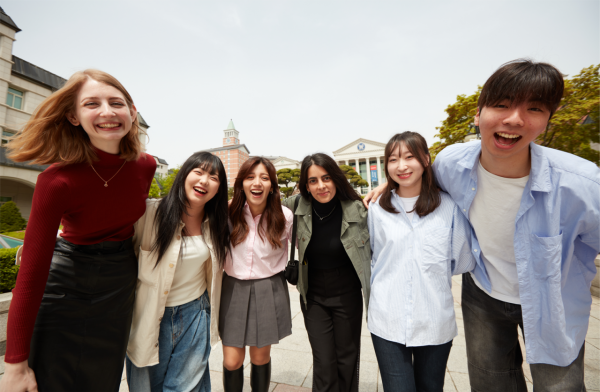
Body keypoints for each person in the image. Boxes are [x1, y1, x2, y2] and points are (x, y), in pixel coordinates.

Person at [365, 59, 600, 391]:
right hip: (483, 294)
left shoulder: (583, 185)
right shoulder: (452, 163)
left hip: (553, 300)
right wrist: (387, 188)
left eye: (534, 108)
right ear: (478, 113)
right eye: (501, 105)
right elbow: (416, 181)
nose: (514, 119)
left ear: (549, 117)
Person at [0, 70, 156, 392]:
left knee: (103, 382)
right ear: (73, 116)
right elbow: (30, 275)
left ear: (132, 112)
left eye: (117, 103)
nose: (108, 112)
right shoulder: (56, 181)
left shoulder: (146, 165)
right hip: (65, 288)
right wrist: (14, 365)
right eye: (91, 104)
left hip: (118, 286)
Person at [367, 132, 475, 392]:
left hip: (434, 320)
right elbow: (374, 256)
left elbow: (460, 260)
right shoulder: (376, 209)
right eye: (393, 159)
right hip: (386, 319)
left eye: (409, 157)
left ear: (426, 159)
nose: (401, 166)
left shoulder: (449, 207)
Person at [125, 152, 230, 392]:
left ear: (218, 188)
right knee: (148, 385)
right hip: (149, 316)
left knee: (183, 388)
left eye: (213, 177)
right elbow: (108, 240)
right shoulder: (149, 213)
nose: (204, 181)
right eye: (199, 172)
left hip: (195, 313)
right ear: (184, 175)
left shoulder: (216, 223)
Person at [280, 153, 371, 392]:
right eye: (313, 181)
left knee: (347, 357)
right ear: (305, 185)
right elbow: (260, 208)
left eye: (326, 178)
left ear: (336, 179)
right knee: (324, 360)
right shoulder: (296, 206)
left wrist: (381, 188)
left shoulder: (358, 208)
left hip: (348, 293)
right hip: (313, 295)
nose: (321, 186)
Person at [220, 157, 294, 392]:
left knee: (260, 358)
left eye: (264, 178)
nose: (257, 183)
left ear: (272, 185)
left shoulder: (285, 216)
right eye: (250, 177)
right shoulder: (228, 212)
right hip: (232, 288)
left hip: (268, 288)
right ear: (241, 183)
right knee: (232, 360)